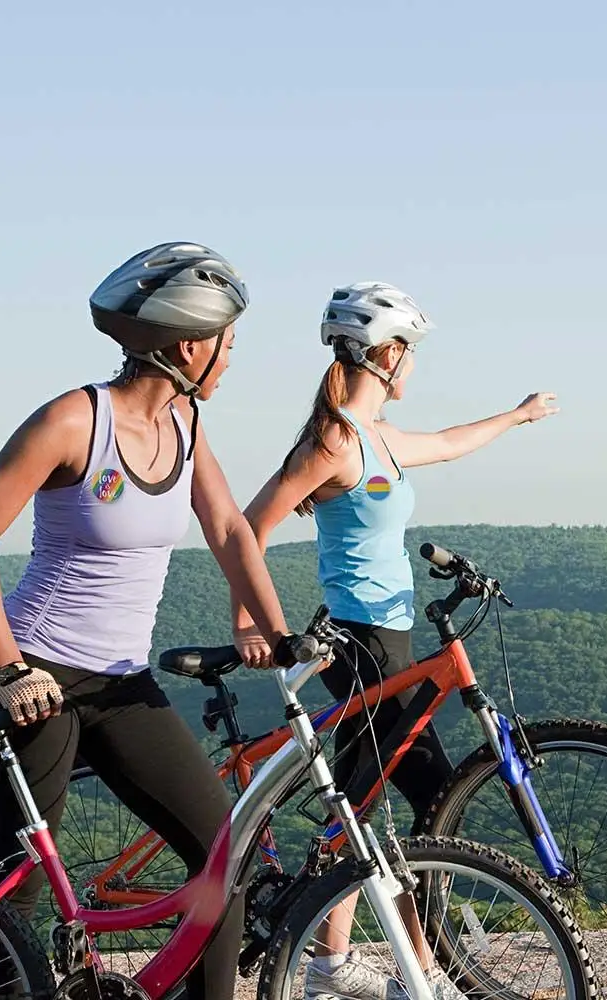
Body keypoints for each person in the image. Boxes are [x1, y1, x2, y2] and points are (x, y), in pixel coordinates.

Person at [0, 242, 293, 1000]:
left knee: (219, 854)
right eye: (229, 344)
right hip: (34, 668)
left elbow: (230, 529)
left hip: (119, 682)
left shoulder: (188, 426)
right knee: (18, 882)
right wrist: (9, 669)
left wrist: (281, 633)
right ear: (189, 344)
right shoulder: (74, 421)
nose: (232, 360)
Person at [231, 281, 559, 1000]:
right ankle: (407, 975)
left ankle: (331, 967)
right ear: (386, 354)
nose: (413, 366)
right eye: (409, 352)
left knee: (364, 804)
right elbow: (246, 528)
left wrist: (517, 416)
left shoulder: (376, 437)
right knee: (421, 800)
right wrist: (252, 621)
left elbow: (447, 442)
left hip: (392, 645)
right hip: (361, 646)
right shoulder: (336, 441)